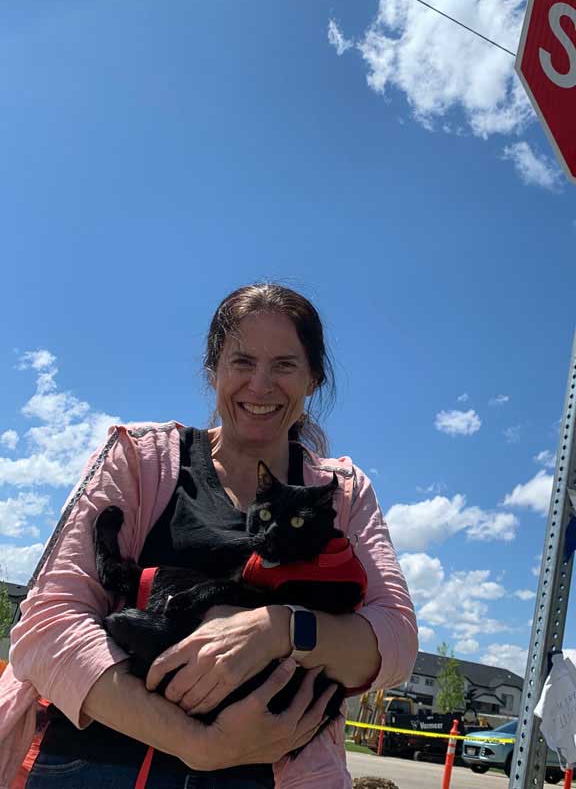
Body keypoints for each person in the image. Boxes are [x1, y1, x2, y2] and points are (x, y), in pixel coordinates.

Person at [0, 283, 418, 788]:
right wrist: (199, 743)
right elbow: (46, 624)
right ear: (212, 370)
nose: (260, 386)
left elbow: (394, 641)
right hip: (96, 764)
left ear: (313, 379)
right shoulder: (139, 459)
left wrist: (280, 628)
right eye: (242, 362)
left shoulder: (341, 493)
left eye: (284, 365)